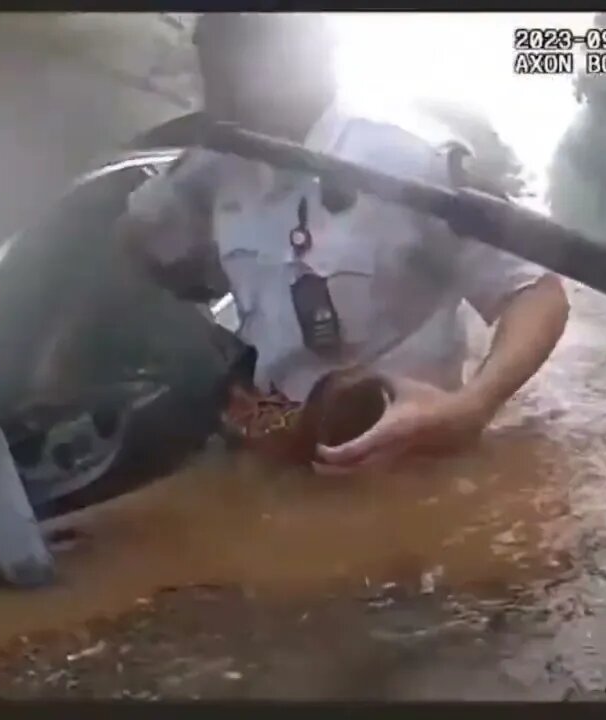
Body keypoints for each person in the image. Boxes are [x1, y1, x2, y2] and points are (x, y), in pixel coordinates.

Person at [119, 13, 569, 473]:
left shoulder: (406, 154)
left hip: (407, 465)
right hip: (275, 448)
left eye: (248, 36)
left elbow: (536, 293)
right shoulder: (209, 171)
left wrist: (473, 406)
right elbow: (140, 252)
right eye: (215, 42)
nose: (225, 61)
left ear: (314, 43)